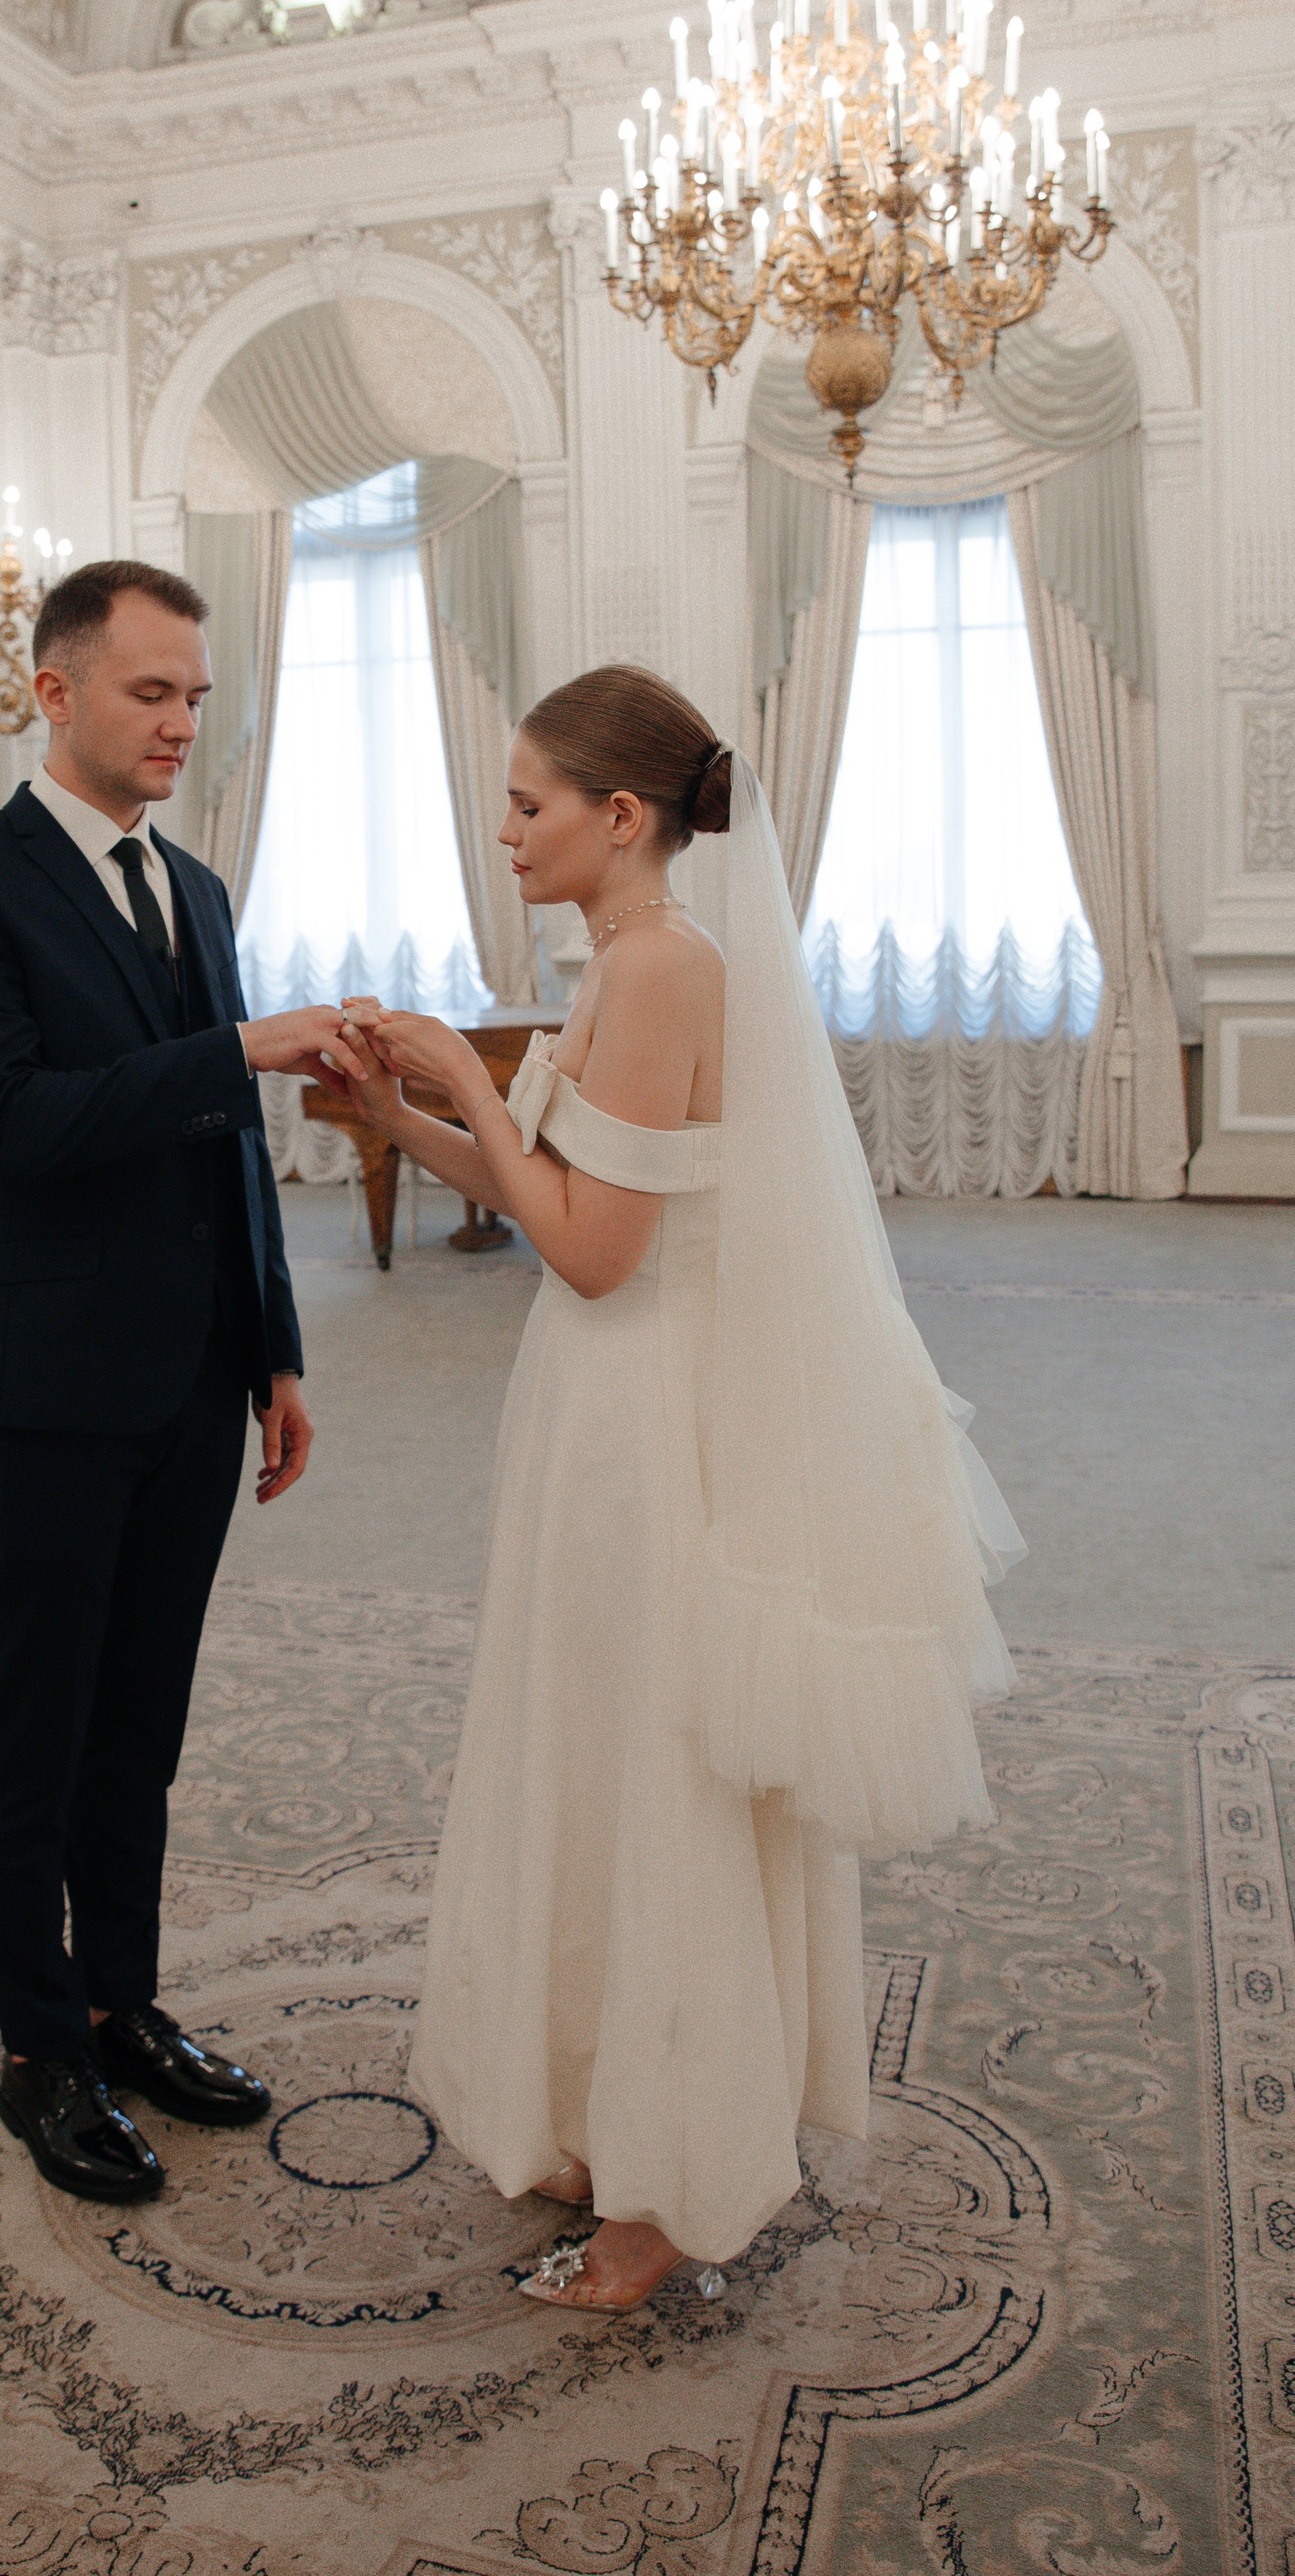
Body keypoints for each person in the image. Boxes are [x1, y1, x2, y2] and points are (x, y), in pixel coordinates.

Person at [340, 663, 1022, 2312]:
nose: (500, 828)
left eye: (526, 802)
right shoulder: (620, 963)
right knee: (588, 1751)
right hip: (594, 1414)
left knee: (648, 1776)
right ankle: (600, 2121)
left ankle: (661, 2192)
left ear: (619, 817)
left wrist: (465, 1077)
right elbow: (561, 1187)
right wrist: (402, 1113)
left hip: (644, 1419)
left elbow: (586, 1252)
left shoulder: (657, 970)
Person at [0, 560, 366, 2208]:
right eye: (150, 692)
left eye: (193, 697)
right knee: (36, 1729)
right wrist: (237, 1049)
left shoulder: (201, 893)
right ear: (57, 691)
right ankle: (41, 2057)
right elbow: (15, 1126)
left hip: (188, 1383)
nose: (179, 724)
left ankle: (122, 2003)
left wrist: (275, 1348)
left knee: (140, 1729)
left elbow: (227, 1150)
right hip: (38, 1386)